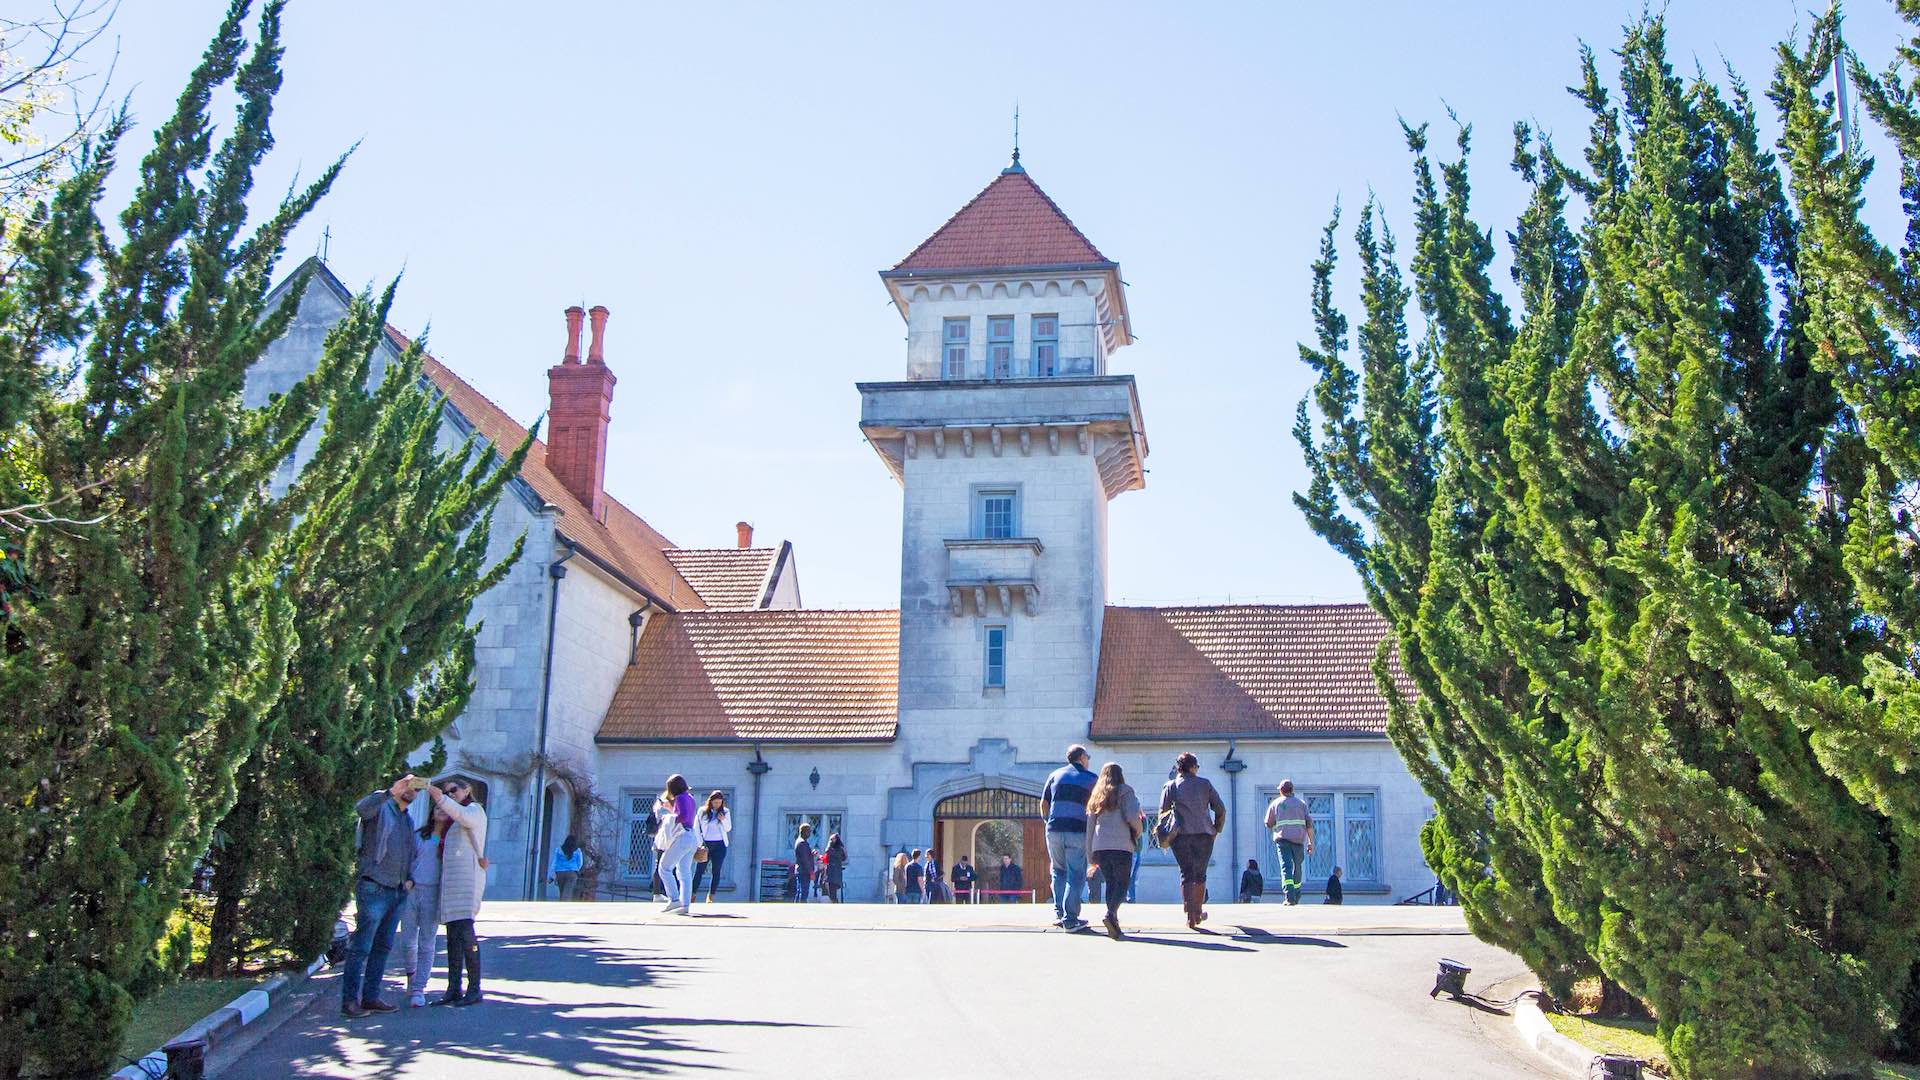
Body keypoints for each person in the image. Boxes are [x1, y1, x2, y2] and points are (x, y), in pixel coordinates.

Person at [342, 774, 422, 1018]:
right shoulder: (380, 807)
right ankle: (349, 1002)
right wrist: (389, 791)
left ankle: (370, 997)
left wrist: (409, 879)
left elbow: (409, 852)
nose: (412, 790)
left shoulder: (406, 818)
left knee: (383, 947)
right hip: (374, 887)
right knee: (361, 947)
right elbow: (361, 809)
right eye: (407, 785)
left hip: (397, 891)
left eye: (415, 788)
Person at [428, 777, 488, 1006]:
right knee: (453, 938)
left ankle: (475, 988)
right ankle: (454, 988)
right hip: (452, 885)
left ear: (467, 790)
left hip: (466, 882)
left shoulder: (474, 810)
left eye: (454, 790)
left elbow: (464, 818)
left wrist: (440, 797)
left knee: (465, 934)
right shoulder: (454, 817)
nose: (450, 794)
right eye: (447, 791)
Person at [1159, 752, 1227, 928]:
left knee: (1186, 873)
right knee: (1200, 873)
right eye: (1196, 766)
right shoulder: (1205, 784)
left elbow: (1163, 813)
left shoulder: (1171, 786)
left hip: (1180, 835)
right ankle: (1197, 911)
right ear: (1192, 767)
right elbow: (1220, 808)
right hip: (1204, 834)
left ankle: (1190, 914)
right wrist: (1216, 828)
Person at [1039, 744, 1098, 930]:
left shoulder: (1055, 775)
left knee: (1058, 870)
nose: (1088, 760)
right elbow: (1097, 807)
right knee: (1076, 874)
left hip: (1054, 829)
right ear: (1081, 758)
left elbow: (1044, 804)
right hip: (1077, 830)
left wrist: (1048, 822)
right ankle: (1070, 918)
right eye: (1087, 757)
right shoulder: (1092, 778)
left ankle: (1060, 912)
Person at [1086, 761, 1143, 940]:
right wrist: (1138, 831)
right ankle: (1111, 914)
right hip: (1121, 845)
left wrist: (1090, 853)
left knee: (1111, 882)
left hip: (1100, 847)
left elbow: (1090, 827)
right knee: (1123, 883)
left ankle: (1114, 922)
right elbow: (1132, 816)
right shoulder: (1126, 791)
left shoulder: (1096, 795)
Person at [400, 808, 451, 1007]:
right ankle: (411, 976)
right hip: (412, 890)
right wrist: (407, 879)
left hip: (434, 892)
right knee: (407, 940)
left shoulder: (451, 838)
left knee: (427, 942)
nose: (440, 812)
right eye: (437, 808)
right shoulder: (419, 835)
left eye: (445, 810)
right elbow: (407, 859)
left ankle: (419, 988)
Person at [1263, 779, 1315, 906]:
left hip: (1283, 841)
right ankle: (1297, 893)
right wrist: (1310, 842)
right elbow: (1309, 825)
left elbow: (1268, 823)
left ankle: (1289, 896)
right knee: (1297, 867)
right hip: (1298, 841)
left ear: (1281, 791)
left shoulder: (1276, 803)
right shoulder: (1301, 804)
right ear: (1292, 790)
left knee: (1286, 867)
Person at [655, 774, 699, 914]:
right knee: (684, 872)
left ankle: (674, 900)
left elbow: (682, 817)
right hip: (691, 836)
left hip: (682, 836)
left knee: (664, 867)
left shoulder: (679, 798)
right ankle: (684, 905)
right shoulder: (690, 797)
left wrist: (670, 817)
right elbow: (687, 815)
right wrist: (671, 809)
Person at [690, 791, 732, 902]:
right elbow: (696, 828)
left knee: (716, 870)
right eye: (715, 802)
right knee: (700, 870)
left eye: (719, 802)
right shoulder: (702, 811)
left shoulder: (726, 812)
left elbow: (728, 828)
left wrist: (723, 820)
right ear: (711, 801)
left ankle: (711, 895)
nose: (717, 805)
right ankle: (693, 894)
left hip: (720, 844)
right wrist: (700, 843)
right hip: (706, 844)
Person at [549, 834, 583, 901]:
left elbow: (554, 863)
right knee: (567, 893)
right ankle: (564, 908)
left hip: (560, 873)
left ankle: (561, 906)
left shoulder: (559, 849)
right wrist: (576, 870)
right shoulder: (577, 850)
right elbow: (580, 862)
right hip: (572, 873)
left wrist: (551, 876)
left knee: (562, 892)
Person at [792, 822, 815, 902]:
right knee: (803, 892)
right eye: (808, 831)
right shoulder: (802, 843)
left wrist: (811, 853)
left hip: (801, 870)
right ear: (803, 831)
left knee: (800, 891)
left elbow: (805, 855)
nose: (809, 833)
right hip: (804, 871)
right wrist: (811, 872)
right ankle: (801, 910)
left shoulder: (801, 842)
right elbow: (804, 860)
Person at [825, 833, 847, 902]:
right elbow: (826, 854)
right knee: (830, 891)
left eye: (833, 839)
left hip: (835, 872)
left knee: (833, 891)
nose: (831, 841)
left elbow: (843, 857)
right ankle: (834, 902)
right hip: (830, 872)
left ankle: (835, 903)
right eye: (830, 839)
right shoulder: (830, 848)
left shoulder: (839, 849)